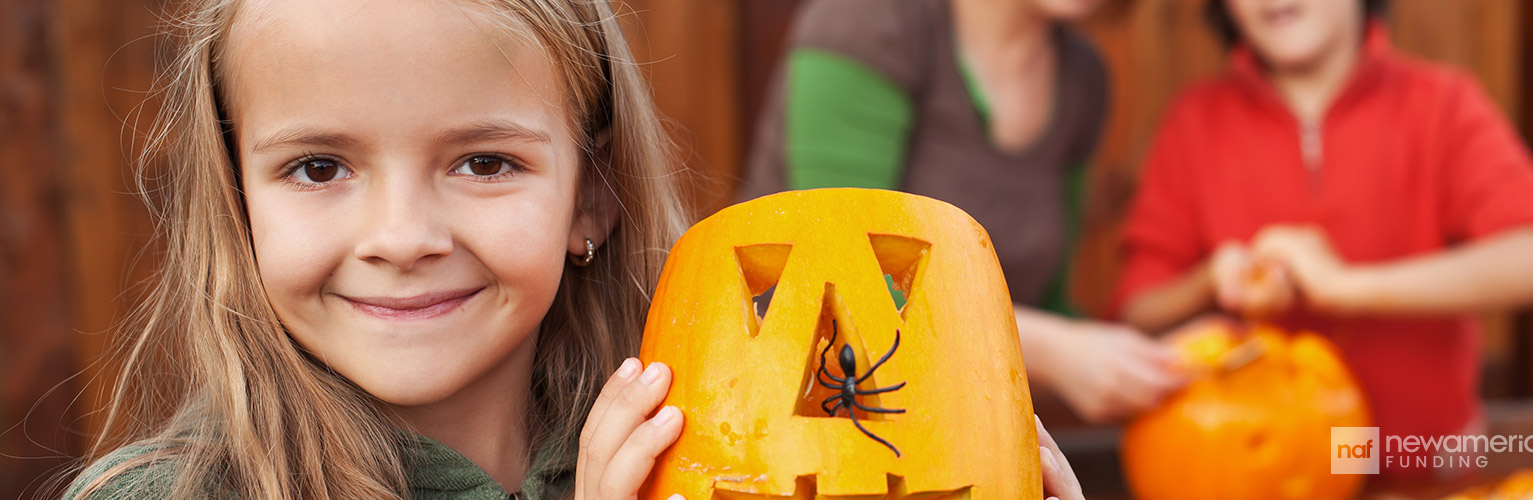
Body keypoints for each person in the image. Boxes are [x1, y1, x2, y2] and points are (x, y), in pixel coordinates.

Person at [61, 0, 1085, 498]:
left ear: (589, 196)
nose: (404, 238)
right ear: (238, 201)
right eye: (319, 167)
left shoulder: (714, 446)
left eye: (485, 163)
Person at [1116, 0, 1533, 479]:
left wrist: (1345, 286)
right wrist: (1209, 279)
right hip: (1250, 473)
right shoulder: (1194, 122)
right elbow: (1137, 310)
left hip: (1426, 468)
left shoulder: (1441, 103)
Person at [741, 0, 1187, 424]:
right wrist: (1057, 353)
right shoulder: (868, 20)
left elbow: (1048, 307)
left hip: (968, 431)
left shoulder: (1083, 77)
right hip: (801, 420)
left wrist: (1156, 363)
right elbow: (841, 276)